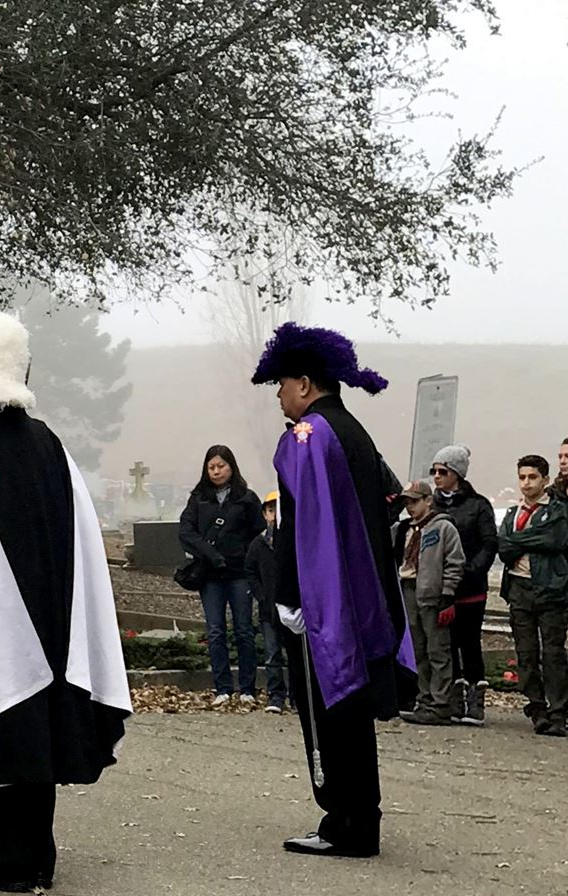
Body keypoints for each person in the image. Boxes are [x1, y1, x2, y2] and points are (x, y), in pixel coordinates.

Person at [0, 309, 131, 893]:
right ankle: (38, 856)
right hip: (54, 619)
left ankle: (6, 861)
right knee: (37, 734)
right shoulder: (50, 443)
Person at [250, 322, 414, 859]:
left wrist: (291, 593)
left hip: (328, 601)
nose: (277, 395)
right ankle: (357, 819)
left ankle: (345, 822)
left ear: (304, 382)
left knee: (329, 710)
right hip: (363, 592)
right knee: (352, 712)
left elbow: (304, 523)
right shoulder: (353, 432)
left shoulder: (309, 435)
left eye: (280, 384)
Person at [179, 446, 265, 705]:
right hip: (210, 576)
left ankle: (248, 688)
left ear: (231, 467)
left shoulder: (247, 499)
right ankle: (222, 688)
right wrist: (211, 555)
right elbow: (186, 532)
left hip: (239, 574)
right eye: (211, 467)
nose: (216, 471)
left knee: (244, 630)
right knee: (215, 631)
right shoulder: (198, 498)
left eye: (221, 466)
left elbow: (258, 534)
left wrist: (247, 561)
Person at [496, 454, 568, 737]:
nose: (526, 483)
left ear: (545, 479)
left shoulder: (559, 511)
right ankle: (536, 707)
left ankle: (558, 710)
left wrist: (518, 540)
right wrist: (524, 540)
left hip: (550, 589)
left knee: (553, 653)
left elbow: (555, 540)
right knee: (526, 653)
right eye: (522, 477)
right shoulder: (513, 514)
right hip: (518, 588)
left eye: (532, 477)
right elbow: (504, 547)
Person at [428, 445, 500, 725]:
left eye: (442, 471)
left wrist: (471, 571)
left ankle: (475, 699)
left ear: (456, 473)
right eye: (434, 471)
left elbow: (489, 542)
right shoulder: (431, 504)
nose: (436, 476)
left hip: (470, 588)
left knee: (469, 642)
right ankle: (453, 699)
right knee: (446, 644)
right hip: (440, 587)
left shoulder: (478, 505)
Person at [391, 480, 465, 725]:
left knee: (438, 650)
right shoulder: (405, 530)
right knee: (418, 649)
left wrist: (447, 594)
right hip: (408, 590)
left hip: (433, 595)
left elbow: (455, 563)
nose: (410, 507)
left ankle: (441, 702)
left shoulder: (443, 528)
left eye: (414, 501)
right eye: (407, 503)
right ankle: (424, 698)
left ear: (428, 501)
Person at [245, 491, 287, 713]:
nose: (274, 516)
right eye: (271, 511)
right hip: (268, 609)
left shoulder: (293, 540)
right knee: (272, 654)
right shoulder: (258, 544)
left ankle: (299, 696)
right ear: (264, 514)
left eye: (278, 510)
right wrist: (261, 595)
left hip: (291, 607)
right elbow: (250, 571)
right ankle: (276, 695)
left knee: (296, 654)